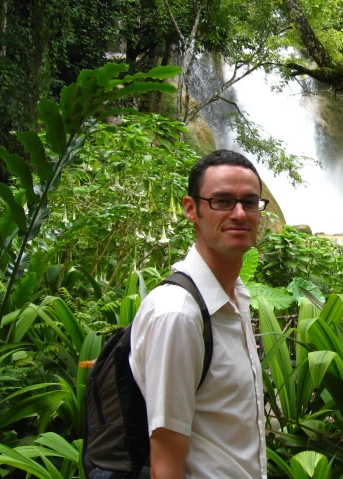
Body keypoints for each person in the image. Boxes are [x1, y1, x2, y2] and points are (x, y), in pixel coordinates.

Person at [129, 150, 268, 478]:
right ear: (191, 209)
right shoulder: (178, 315)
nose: (239, 214)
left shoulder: (235, 298)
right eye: (221, 201)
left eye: (249, 202)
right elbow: (166, 459)